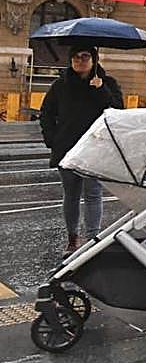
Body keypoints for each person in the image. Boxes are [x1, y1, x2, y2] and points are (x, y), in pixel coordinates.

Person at [40, 45, 124, 252]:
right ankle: (72, 238)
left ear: (94, 60)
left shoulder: (107, 83)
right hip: (67, 148)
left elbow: (117, 111)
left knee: (93, 193)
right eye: (75, 57)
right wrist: (52, 139)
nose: (80, 60)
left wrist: (101, 89)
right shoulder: (61, 85)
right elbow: (46, 113)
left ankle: (93, 239)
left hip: (95, 148)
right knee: (71, 195)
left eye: (85, 56)